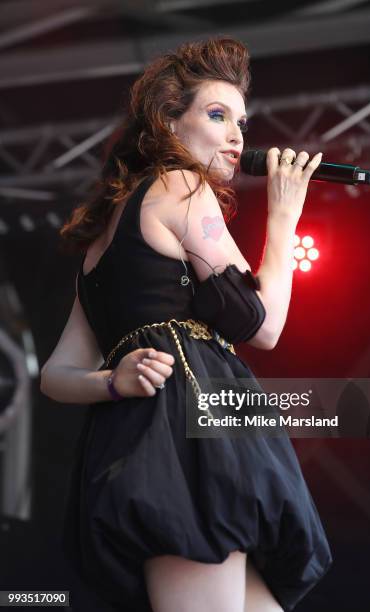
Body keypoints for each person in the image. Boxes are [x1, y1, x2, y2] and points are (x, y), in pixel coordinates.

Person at [40, 36, 332, 612]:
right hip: (186, 445)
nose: (236, 136)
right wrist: (284, 217)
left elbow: (55, 374)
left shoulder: (99, 245)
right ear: (168, 124)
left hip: (151, 441)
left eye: (241, 122)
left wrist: (111, 381)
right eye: (217, 115)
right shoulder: (183, 185)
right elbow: (264, 326)